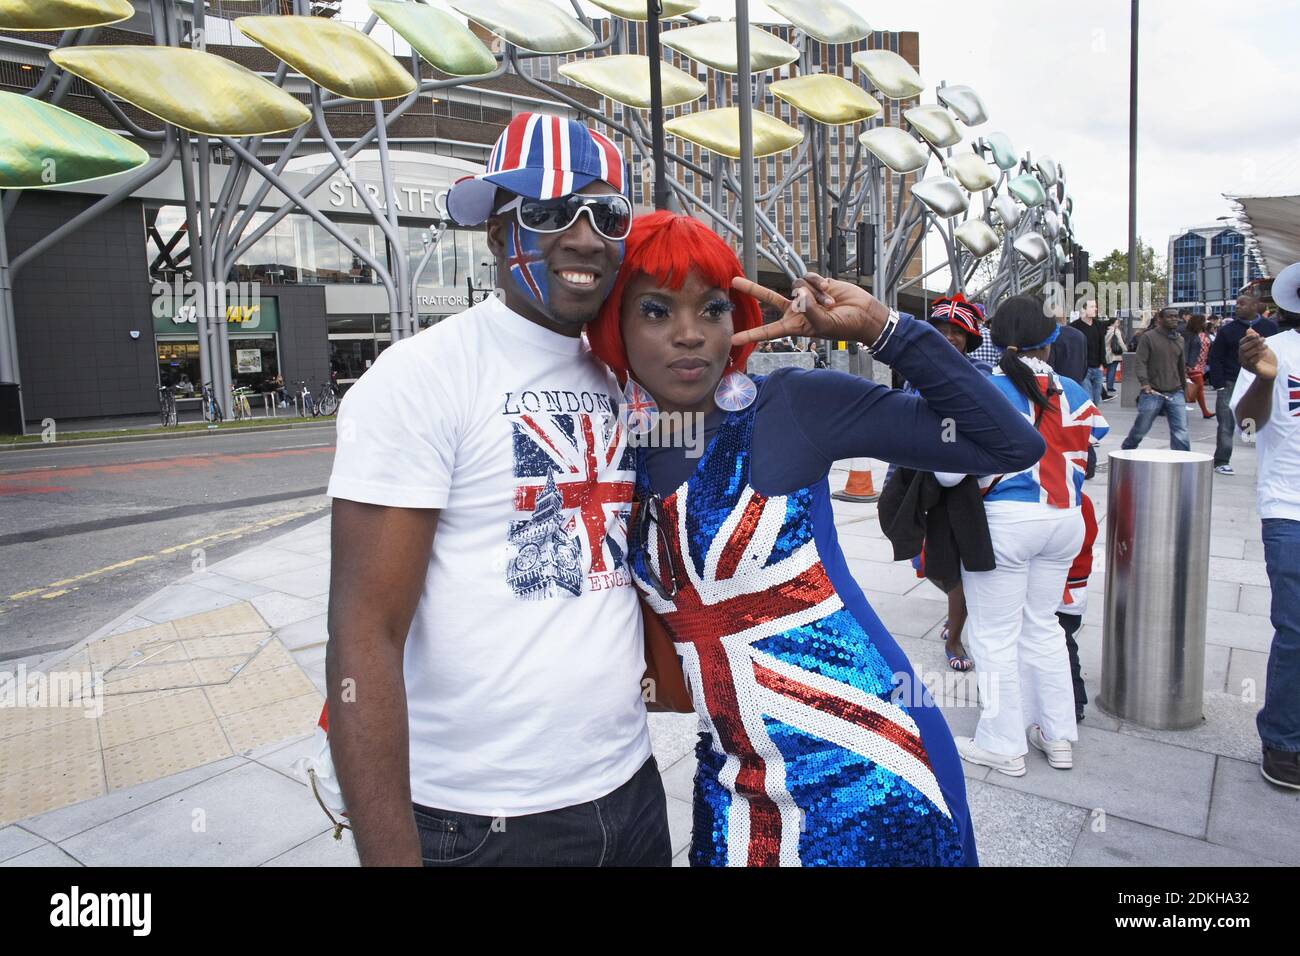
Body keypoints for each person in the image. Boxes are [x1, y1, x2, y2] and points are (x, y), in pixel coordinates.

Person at [587, 211, 1047, 866]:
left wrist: (888, 331)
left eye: (712, 309)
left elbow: (1008, 442)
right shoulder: (616, 449)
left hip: (871, 770)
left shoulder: (791, 407)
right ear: (618, 326)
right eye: (656, 311)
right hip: (731, 783)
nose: (689, 334)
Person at [324, 113, 671, 866]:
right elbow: (363, 635)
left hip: (632, 791)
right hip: (482, 823)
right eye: (546, 215)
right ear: (494, 233)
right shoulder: (421, 377)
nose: (582, 239)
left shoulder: (621, 370)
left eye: (605, 215)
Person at [948, 296, 1109, 777]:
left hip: (1006, 522)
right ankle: (1057, 736)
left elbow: (947, 475)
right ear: (1051, 340)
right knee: (1043, 627)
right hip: (1065, 520)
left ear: (995, 337)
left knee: (993, 634)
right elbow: (1092, 447)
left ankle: (1002, 742)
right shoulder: (1075, 390)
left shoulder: (979, 389)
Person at [885, 294, 992, 672]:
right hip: (919, 478)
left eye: (956, 333)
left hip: (963, 486)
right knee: (928, 562)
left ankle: (955, 636)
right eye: (941, 331)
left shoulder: (981, 376)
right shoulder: (916, 373)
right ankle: (958, 609)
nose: (948, 338)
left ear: (970, 339)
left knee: (954, 563)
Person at [1231, 261, 1300, 790]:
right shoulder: (1274, 352)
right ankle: (1283, 742)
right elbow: (1248, 425)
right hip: (1290, 511)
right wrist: (1263, 378)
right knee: (1297, 633)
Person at [1209, 290, 1279, 475]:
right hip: (1231, 382)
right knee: (1226, 422)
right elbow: (1216, 357)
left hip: (1257, 382)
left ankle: (1258, 451)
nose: (1237, 307)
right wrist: (1220, 383)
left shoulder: (1270, 328)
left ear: (1255, 306)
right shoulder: (1227, 330)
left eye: (1242, 304)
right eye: (1237, 304)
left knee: (1253, 424)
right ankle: (1222, 460)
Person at [1120, 306, 1191, 452]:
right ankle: (1126, 451)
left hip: (1175, 391)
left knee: (1181, 432)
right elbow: (1140, 362)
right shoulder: (1148, 337)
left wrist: (1184, 388)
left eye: (1176, 316)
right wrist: (1145, 383)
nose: (1174, 319)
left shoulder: (1180, 339)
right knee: (1140, 429)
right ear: (1160, 319)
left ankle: (1183, 461)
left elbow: (1180, 365)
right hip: (1152, 392)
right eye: (1170, 316)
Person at [1056, 493, 1098, 723]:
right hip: (1074, 589)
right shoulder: (1083, 499)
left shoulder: (1068, 501)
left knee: (1062, 646)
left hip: (1064, 588)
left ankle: (1074, 701)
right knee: (1063, 642)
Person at [1070, 299, 1107, 408]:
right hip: (1083, 368)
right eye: (1092, 306)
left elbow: (1102, 345)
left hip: (1097, 368)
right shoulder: (1074, 326)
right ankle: (1089, 423)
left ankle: (1092, 421)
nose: (1095, 309)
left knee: (1096, 400)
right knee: (1088, 399)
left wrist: (1102, 364)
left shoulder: (1099, 325)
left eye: (1095, 306)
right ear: (1084, 309)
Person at [1184, 313, 1214, 419]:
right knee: (1199, 387)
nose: (1205, 323)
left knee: (1198, 388)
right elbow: (1185, 349)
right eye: (1203, 321)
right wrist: (1185, 365)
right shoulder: (1190, 334)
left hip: (1202, 364)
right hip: (1193, 365)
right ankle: (1205, 411)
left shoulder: (1204, 333)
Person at [1048, 305, 1088, 385]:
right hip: (1077, 382)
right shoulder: (1080, 335)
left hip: (1058, 384)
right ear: (1064, 317)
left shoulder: (1052, 336)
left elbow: (1050, 364)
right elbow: (1085, 363)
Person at [1103, 317, 1126, 398]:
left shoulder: (1105, 330)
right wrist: (1125, 349)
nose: (1118, 324)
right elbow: (1120, 341)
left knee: (1109, 369)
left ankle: (1108, 386)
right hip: (1114, 353)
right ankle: (1110, 386)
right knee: (1112, 369)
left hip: (1106, 352)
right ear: (1113, 323)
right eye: (1117, 322)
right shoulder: (1116, 330)